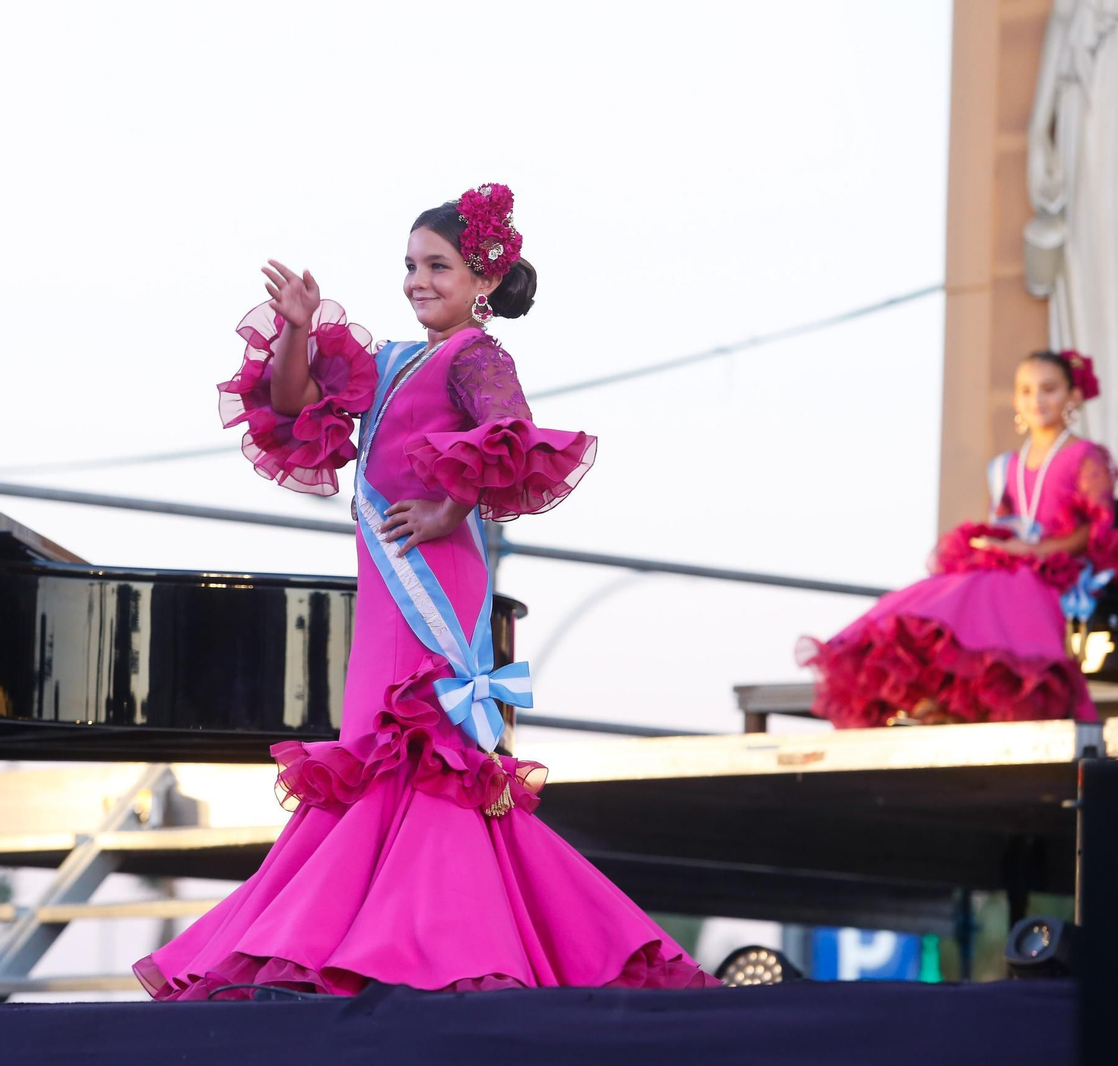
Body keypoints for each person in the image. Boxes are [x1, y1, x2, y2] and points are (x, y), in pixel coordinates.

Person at [133, 183, 712, 999]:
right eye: (409, 265)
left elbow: (510, 437)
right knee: (372, 749)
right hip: (386, 583)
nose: (417, 280)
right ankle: (357, 944)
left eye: (437, 265)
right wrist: (298, 327)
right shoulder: (397, 361)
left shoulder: (478, 357)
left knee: (424, 747)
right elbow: (296, 404)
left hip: (432, 577)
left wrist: (450, 506)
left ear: (482, 280)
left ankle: (437, 948)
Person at [798, 350, 1118, 728]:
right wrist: (999, 546)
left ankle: (991, 698)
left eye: (1049, 389)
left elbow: (1094, 531)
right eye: (1027, 391)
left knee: (995, 591)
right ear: (1016, 400)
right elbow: (1004, 520)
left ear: (1072, 397)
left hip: (1059, 566)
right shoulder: (1006, 465)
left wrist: (1034, 551)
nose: (1037, 400)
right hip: (1012, 562)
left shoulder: (1084, 455)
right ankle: (933, 699)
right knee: (946, 591)